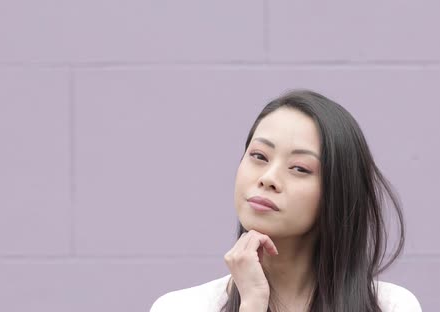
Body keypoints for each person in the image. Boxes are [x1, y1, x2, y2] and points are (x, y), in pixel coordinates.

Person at [151, 89, 422, 312]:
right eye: (258, 156)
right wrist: (253, 304)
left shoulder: (390, 306)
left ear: (337, 192)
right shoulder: (180, 306)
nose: (268, 178)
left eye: (300, 168)